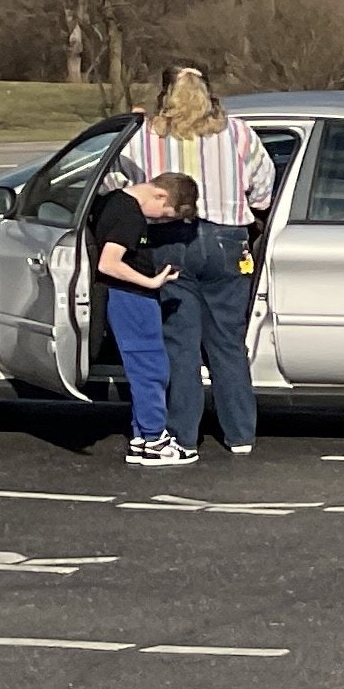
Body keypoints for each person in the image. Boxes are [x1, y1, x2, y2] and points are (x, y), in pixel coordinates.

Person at [130, 66, 275, 459]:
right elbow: (263, 186)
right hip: (227, 238)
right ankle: (241, 433)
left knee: (181, 344)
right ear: (211, 95)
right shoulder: (239, 133)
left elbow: (119, 185)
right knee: (227, 341)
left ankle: (183, 435)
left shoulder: (145, 135)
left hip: (170, 238)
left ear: (164, 95)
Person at [88, 168, 189, 468]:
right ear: (160, 194)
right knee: (150, 368)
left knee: (144, 366)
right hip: (130, 297)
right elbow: (109, 263)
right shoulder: (129, 215)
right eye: (165, 213)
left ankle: (142, 438)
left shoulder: (115, 202)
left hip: (125, 296)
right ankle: (154, 440)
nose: (161, 220)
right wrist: (152, 282)